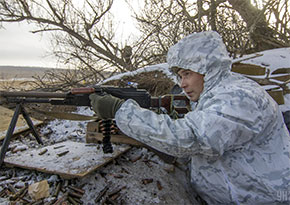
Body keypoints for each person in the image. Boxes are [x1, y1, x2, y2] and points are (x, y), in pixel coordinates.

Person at [89, 31, 290, 204]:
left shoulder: (237, 97)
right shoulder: (214, 94)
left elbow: (190, 138)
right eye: (180, 76)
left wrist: (120, 110)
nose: (182, 84)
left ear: (207, 69)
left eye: (187, 74)